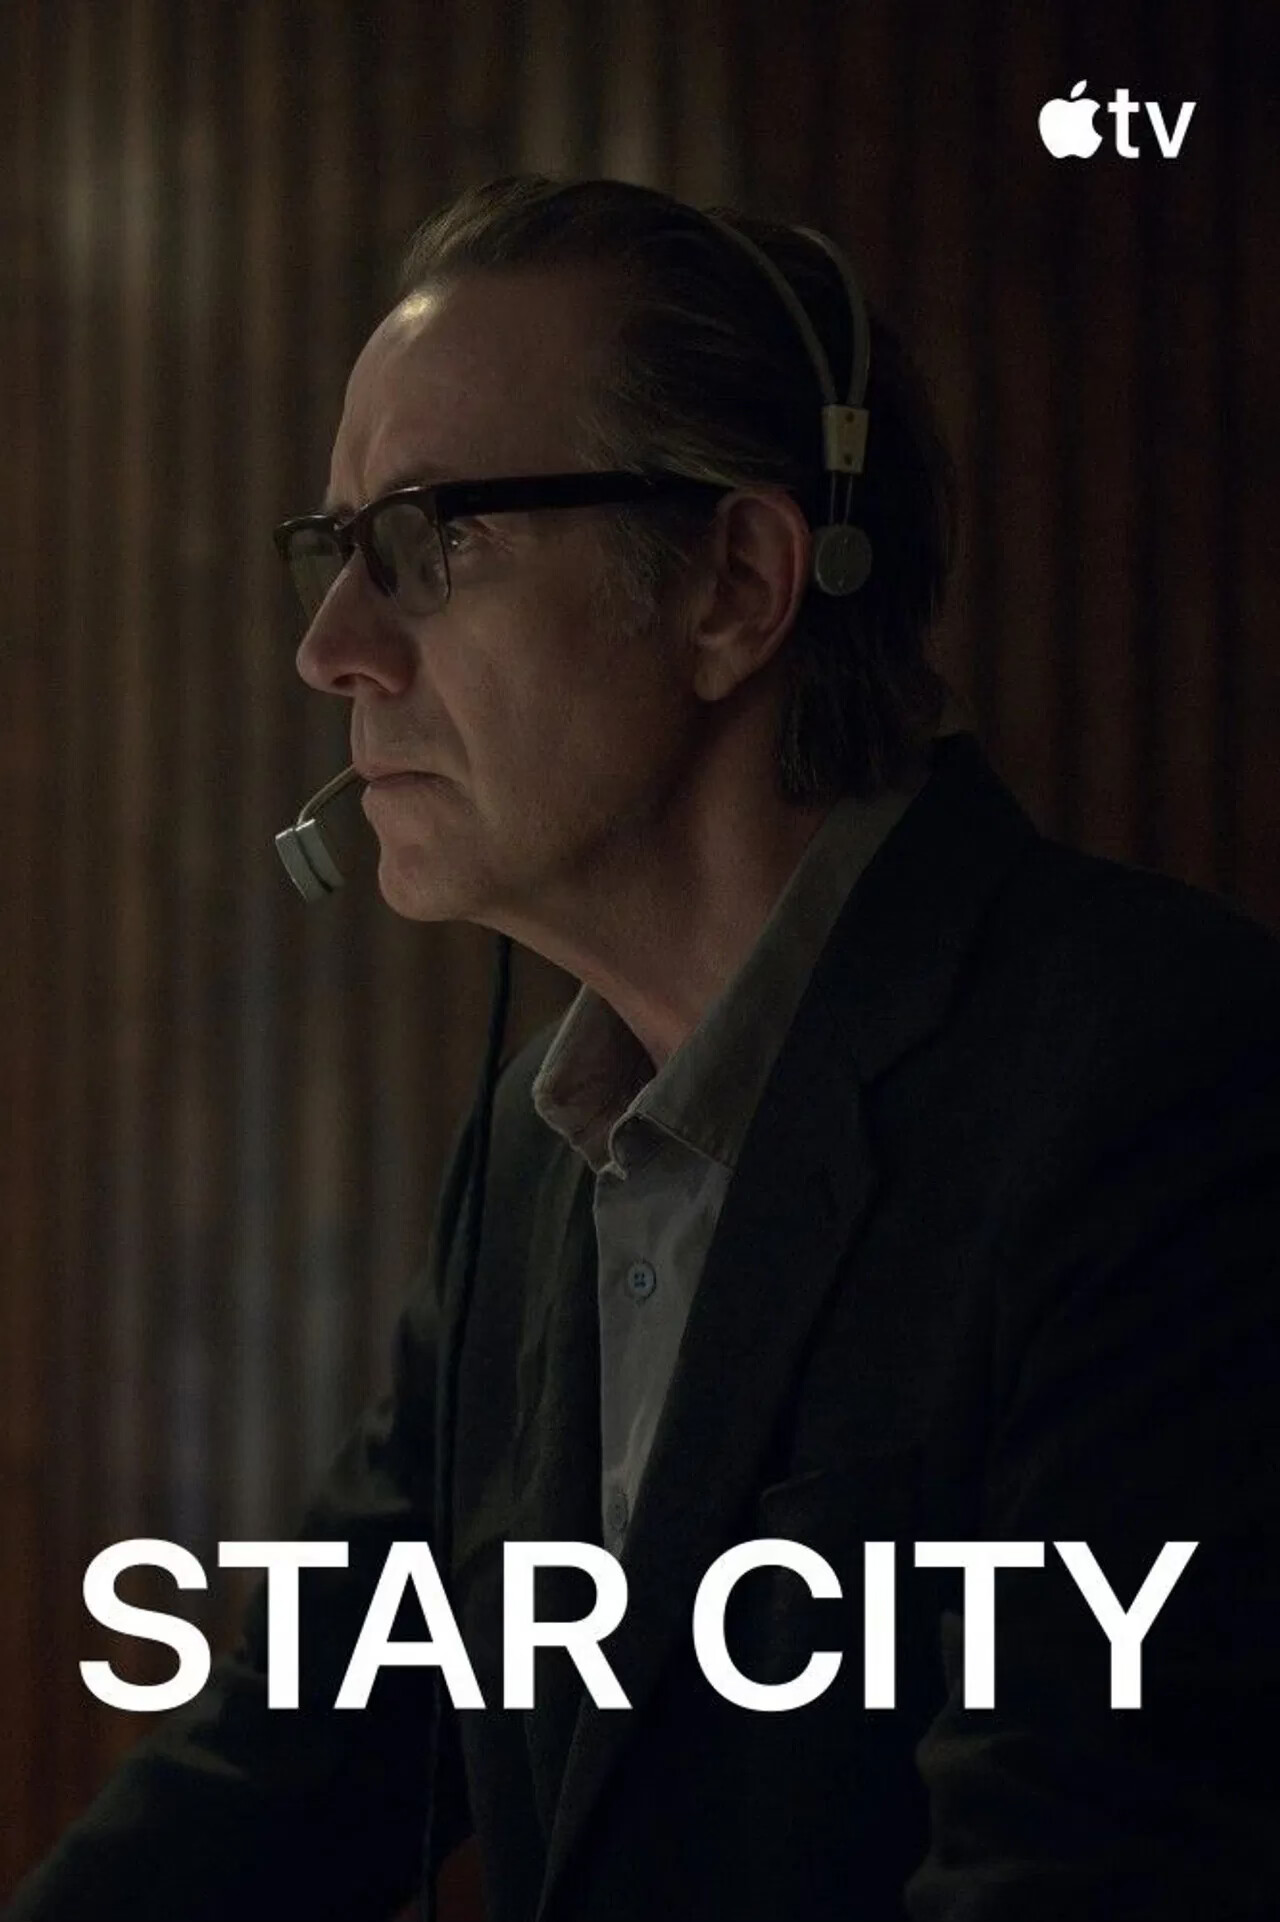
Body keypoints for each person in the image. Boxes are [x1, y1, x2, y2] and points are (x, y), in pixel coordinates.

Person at [10, 174, 1280, 1922]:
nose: (330, 649)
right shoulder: (535, 1158)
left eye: (430, 537)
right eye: (336, 547)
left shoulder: (1160, 1076)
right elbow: (287, 1765)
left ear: (735, 584)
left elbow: (1086, 1868)